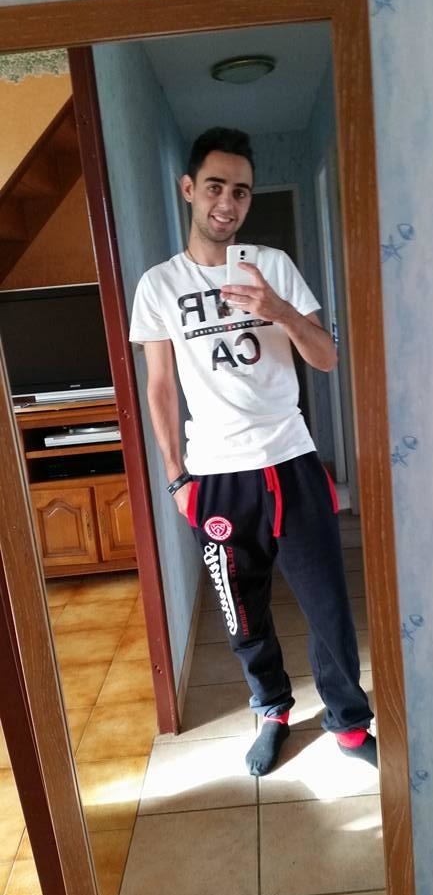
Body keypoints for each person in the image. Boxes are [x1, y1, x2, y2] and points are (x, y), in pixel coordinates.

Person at [130, 127, 377, 776]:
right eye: (215, 187)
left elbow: (325, 358)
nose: (227, 202)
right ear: (189, 189)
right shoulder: (158, 285)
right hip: (214, 478)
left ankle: (349, 724)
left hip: (290, 460)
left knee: (328, 605)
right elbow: (160, 388)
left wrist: (279, 310)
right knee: (242, 613)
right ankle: (272, 709)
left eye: (240, 191)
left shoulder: (272, 265)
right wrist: (177, 479)